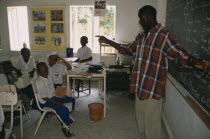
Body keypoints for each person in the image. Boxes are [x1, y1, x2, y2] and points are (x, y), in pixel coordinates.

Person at [97, 5, 209, 139]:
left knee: (152, 125)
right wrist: (107, 40)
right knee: (140, 119)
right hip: (140, 86)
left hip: (153, 89)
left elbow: (180, 53)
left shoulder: (164, 35)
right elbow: (127, 49)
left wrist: (198, 62)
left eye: (141, 18)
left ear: (150, 17)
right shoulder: (141, 36)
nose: (139, 22)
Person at [35, 62, 75, 137]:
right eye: (42, 71)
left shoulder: (48, 77)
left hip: (53, 97)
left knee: (72, 100)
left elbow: (53, 91)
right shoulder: (39, 82)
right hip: (47, 101)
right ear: (38, 72)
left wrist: (61, 95)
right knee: (64, 109)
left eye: (46, 70)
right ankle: (65, 126)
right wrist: (57, 102)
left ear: (48, 69)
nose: (44, 73)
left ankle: (65, 117)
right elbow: (44, 97)